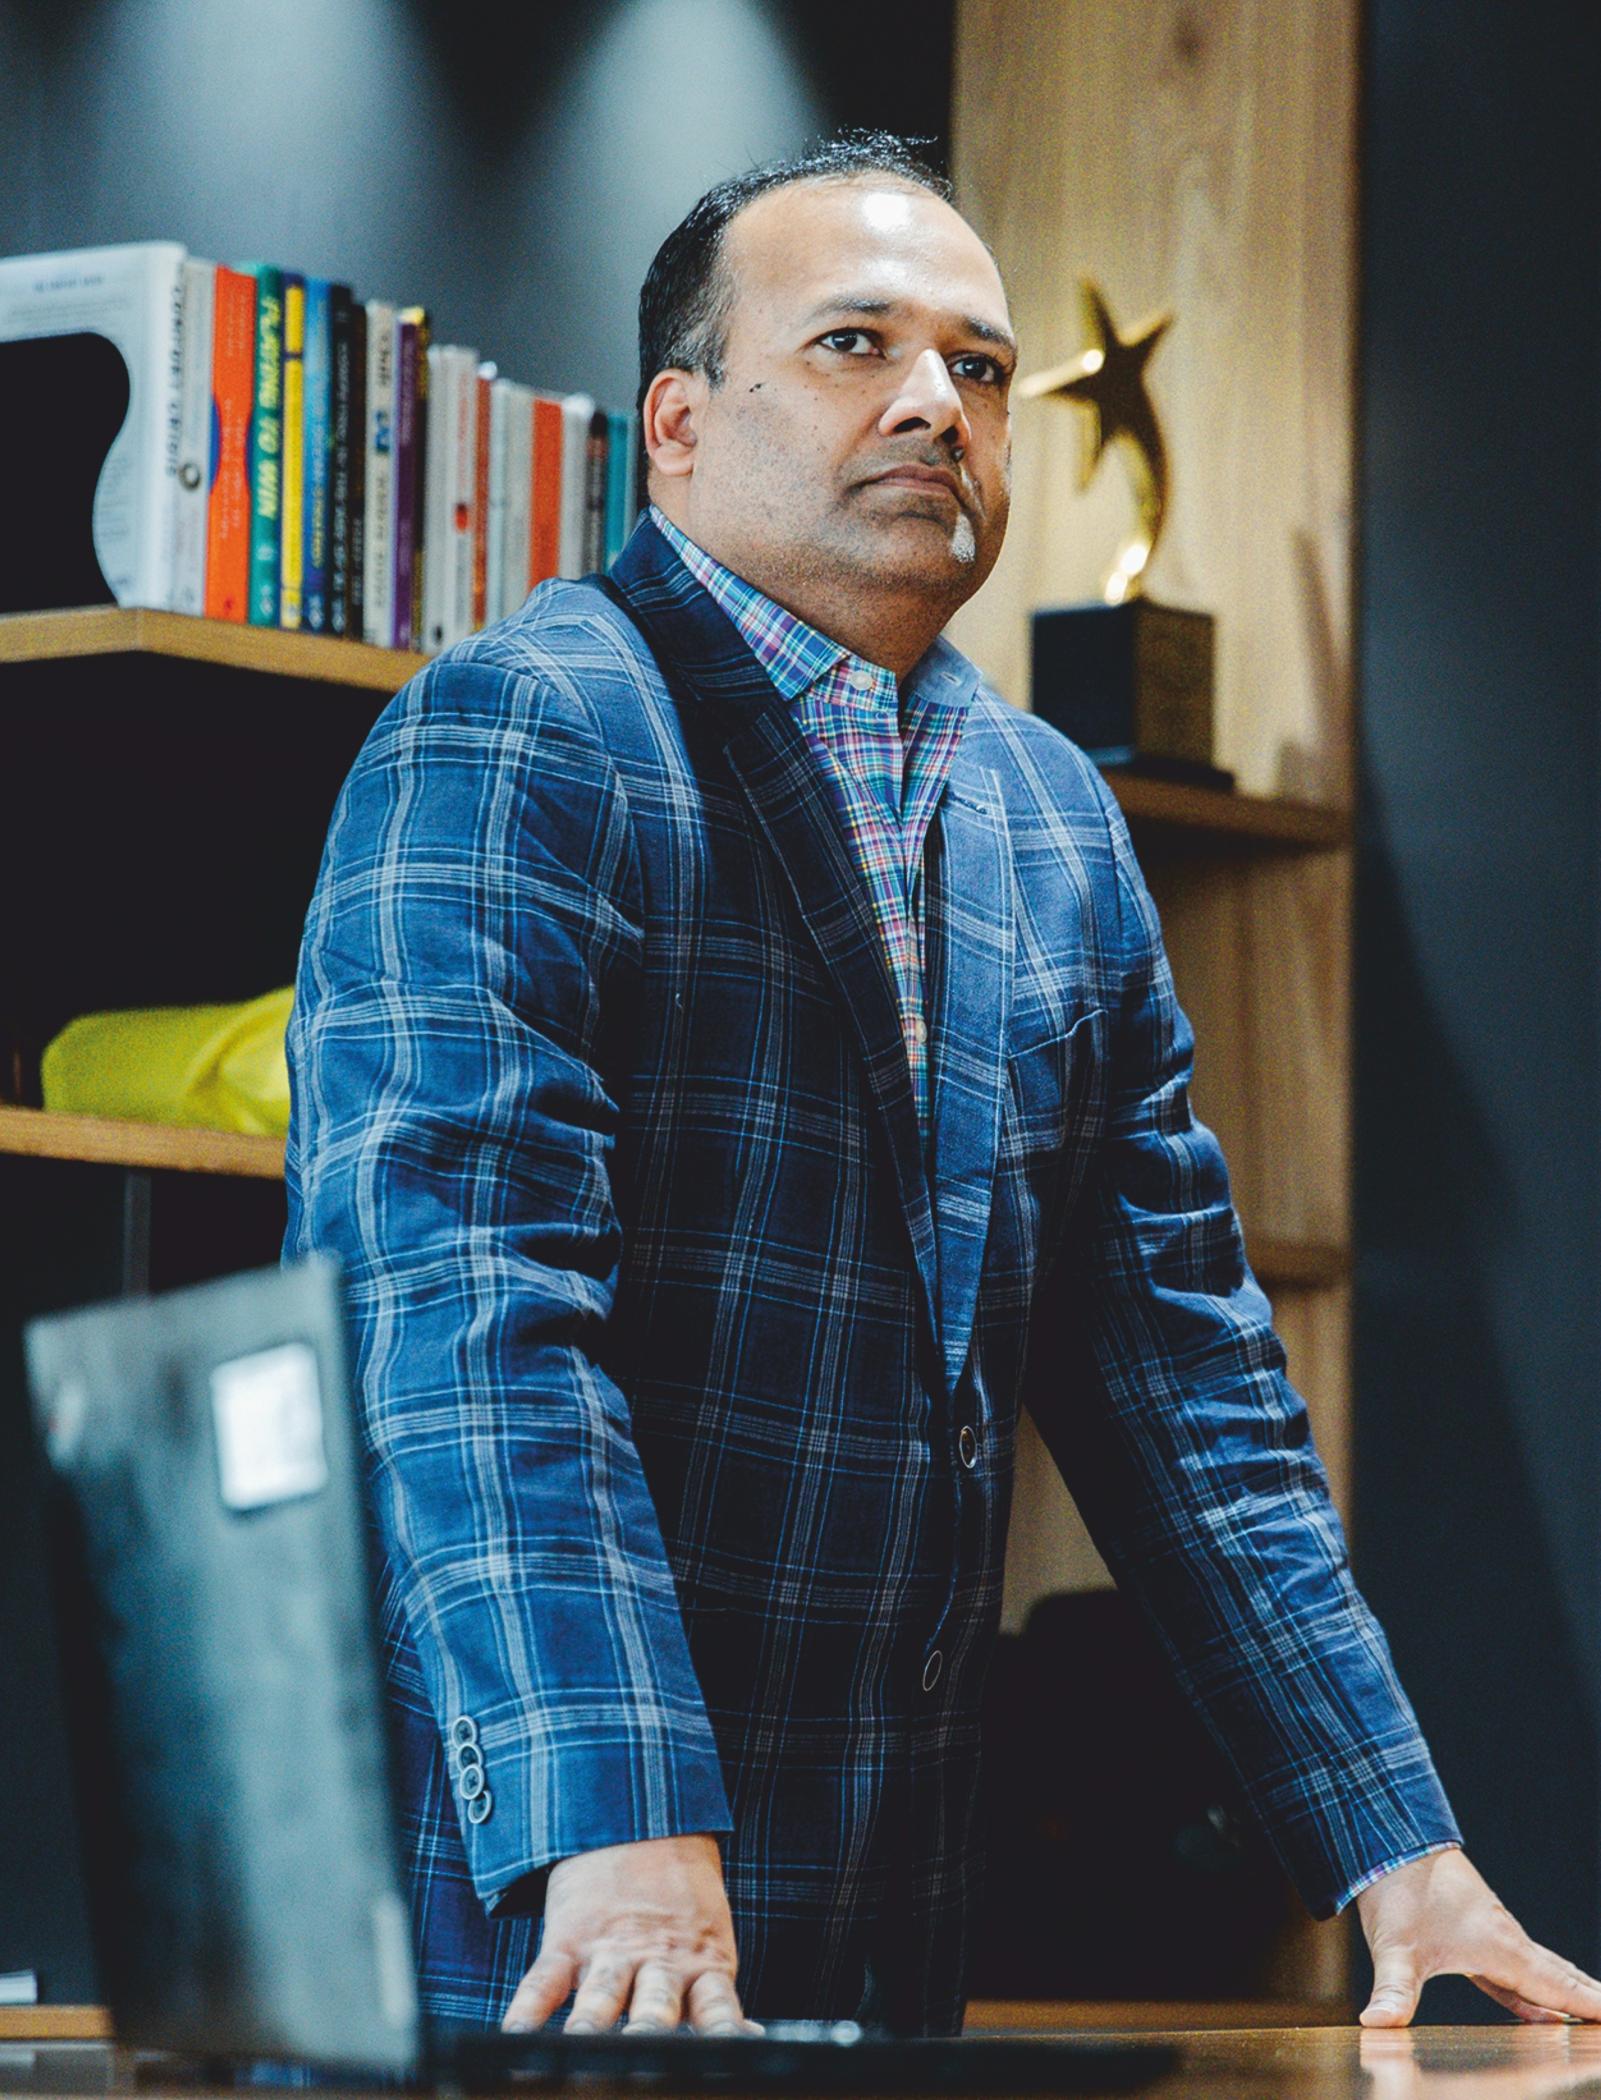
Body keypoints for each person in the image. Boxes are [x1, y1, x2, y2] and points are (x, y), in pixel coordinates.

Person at [283, 132, 1601, 2039]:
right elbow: (458, 1313)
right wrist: (614, 1811)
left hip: (892, 1898)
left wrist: (1399, 1847)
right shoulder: (518, 730)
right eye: (854, 345)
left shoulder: (1053, 814)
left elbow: (1187, 1387)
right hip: (548, 1898)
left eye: (979, 368)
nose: (934, 403)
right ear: (676, 426)